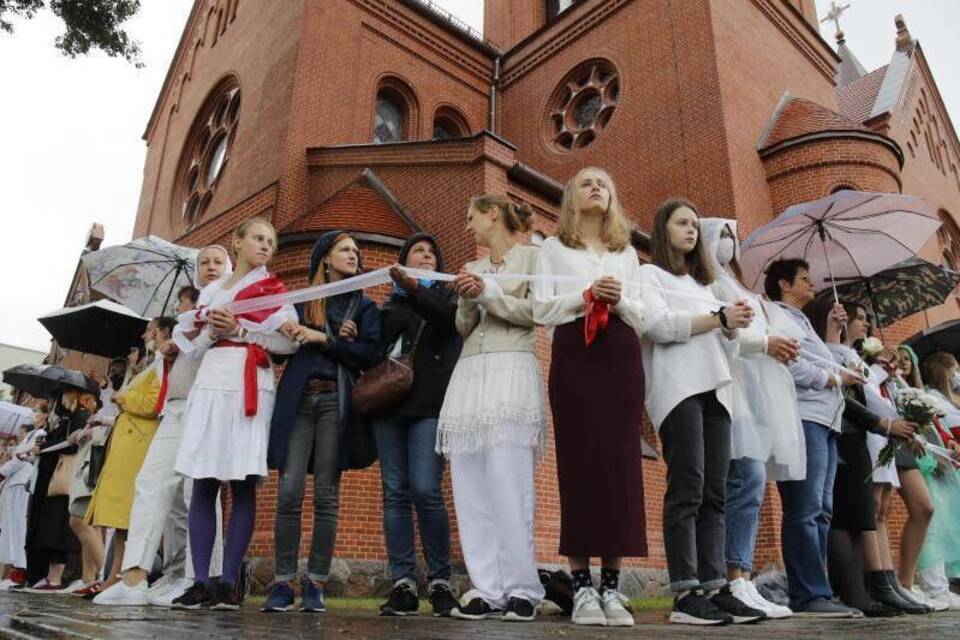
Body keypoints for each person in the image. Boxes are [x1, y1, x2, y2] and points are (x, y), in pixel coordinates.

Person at [639, 201, 763, 626]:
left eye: (695, 224)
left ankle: (714, 587)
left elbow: (723, 348)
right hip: (678, 390)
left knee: (714, 491)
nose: (692, 230)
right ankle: (685, 592)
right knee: (687, 487)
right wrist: (718, 318)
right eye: (682, 223)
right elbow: (658, 326)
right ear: (663, 229)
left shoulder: (707, 287)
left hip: (716, 391)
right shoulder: (648, 275)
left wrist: (731, 326)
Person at [533, 167, 645, 627]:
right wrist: (585, 295)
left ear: (612, 198)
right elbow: (541, 307)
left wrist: (618, 300)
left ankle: (613, 588)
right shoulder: (553, 249)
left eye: (604, 182)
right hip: (575, 354)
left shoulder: (628, 254)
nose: (597, 186)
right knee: (579, 465)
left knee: (621, 466)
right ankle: (581, 587)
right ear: (571, 199)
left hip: (620, 355)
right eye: (586, 182)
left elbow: (644, 314)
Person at [94, 245, 231, 607]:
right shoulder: (184, 325)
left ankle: (202, 578)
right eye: (204, 262)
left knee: (197, 494)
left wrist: (189, 338)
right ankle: (136, 576)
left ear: (229, 266)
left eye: (218, 261)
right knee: (151, 485)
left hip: (205, 406)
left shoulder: (229, 305)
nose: (211, 266)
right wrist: (167, 353)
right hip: (173, 410)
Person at [171, 218, 297, 610]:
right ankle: (201, 581)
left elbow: (287, 345)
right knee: (204, 481)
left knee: (241, 481)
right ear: (237, 241)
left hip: (249, 382)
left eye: (270, 242)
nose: (265, 246)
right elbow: (193, 348)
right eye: (258, 238)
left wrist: (241, 330)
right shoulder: (210, 291)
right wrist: (214, 329)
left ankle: (228, 583)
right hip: (210, 383)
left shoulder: (273, 289)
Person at [440, 195, 546, 622]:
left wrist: (489, 294)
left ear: (492, 214)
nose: (468, 226)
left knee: (509, 481)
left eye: (471, 217)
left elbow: (536, 312)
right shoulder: (473, 268)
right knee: (469, 486)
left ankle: (522, 587)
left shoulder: (534, 258)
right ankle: (486, 587)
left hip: (511, 370)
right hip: (469, 375)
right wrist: (468, 298)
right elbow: (463, 328)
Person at [262, 230, 380, 614]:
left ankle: (315, 583)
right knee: (289, 490)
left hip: (336, 402)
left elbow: (368, 355)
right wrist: (284, 331)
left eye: (356, 251)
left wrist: (328, 339)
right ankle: (282, 583)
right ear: (325, 259)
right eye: (345, 249)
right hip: (299, 401)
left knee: (327, 495)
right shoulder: (302, 301)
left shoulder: (363, 307)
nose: (354, 255)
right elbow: (280, 353)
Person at [699, 218, 802, 620]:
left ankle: (739, 576)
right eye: (721, 235)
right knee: (744, 480)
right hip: (731, 390)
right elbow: (722, 331)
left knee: (750, 485)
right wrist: (765, 341)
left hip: (756, 395)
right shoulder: (709, 283)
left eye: (732, 235)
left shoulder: (743, 288)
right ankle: (732, 577)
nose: (728, 242)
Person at [806, 299, 919, 616]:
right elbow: (846, 394)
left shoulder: (850, 355)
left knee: (860, 515)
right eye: (856, 318)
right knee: (846, 513)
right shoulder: (827, 350)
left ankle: (872, 587)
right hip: (845, 430)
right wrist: (881, 422)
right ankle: (856, 591)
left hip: (860, 433)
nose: (863, 323)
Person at [764, 258, 860, 617]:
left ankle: (817, 590)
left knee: (822, 510)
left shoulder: (804, 320)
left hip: (825, 420)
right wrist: (833, 380)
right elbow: (790, 361)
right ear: (784, 285)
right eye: (804, 279)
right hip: (803, 417)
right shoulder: (777, 316)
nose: (812, 284)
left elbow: (827, 361)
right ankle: (807, 593)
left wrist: (836, 332)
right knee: (804, 509)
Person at [372, 232, 461, 618]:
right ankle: (403, 582)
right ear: (404, 261)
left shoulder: (448, 294)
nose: (424, 256)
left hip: (429, 404)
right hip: (389, 404)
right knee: (395, 492)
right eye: (416, 252)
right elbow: (378, 344)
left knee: (426, 489)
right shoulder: (390, 303)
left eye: (430, 253)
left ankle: (441, 580)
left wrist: (416, 291)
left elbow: (446, 324)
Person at [84, 317, 176, 595]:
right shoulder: (148, 366)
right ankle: (114, 575)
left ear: (159, 332)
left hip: (140, 443)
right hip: (127, 442)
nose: (144, 334)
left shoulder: (162, 365)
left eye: (149, 330)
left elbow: (151, 404)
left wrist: (122, 398)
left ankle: (120, 575)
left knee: (127, 514)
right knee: (120, 518)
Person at [65, 358, 126, 599]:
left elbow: (116, 424)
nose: (112, 374)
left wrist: (94, 427)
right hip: (92, 461)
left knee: (82, 520)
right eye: (112, 371)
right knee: (87, 521)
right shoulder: (109, 397)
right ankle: (90, 578)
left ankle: (103, 576)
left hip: (103, 461)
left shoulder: (124, 394)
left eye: (117, 371)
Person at [24, 388, 95, 592]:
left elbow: (72, 445)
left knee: (58, 527)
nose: (60, 401)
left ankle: (56, 578)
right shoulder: (66, 419)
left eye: (63, 397)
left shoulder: (80, 416)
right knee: (50, 526)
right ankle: (49, 576)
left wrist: (45, 446)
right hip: (53, 478)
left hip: (64, 478)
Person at [889, 344, 941, 609]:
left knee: (924, 508)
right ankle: (893, 583)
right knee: (880, 511)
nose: (902, 361)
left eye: (908, 358)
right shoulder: (883, 376)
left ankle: (906, 583)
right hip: (889, 441)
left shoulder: (900, 381)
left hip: (907, 445)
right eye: (899, 356)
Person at [914, 352, 960, 609]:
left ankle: (946, 584)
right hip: (937, 465)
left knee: (951, 526)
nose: (958, 376)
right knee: (936, 522)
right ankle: (935, 585)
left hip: (951, 462)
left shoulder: (951, 401)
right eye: (954, 370)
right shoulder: (932, 397)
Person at [0, 424, 38, 590]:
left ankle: (20, 570)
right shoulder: (28, 439)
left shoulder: (38, 434)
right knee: (12, 530)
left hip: (21, 486)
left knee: (19, 528)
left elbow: (13, 465)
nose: (21, 436)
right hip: (14, 486)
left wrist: (8, 461)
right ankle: (15, 569)